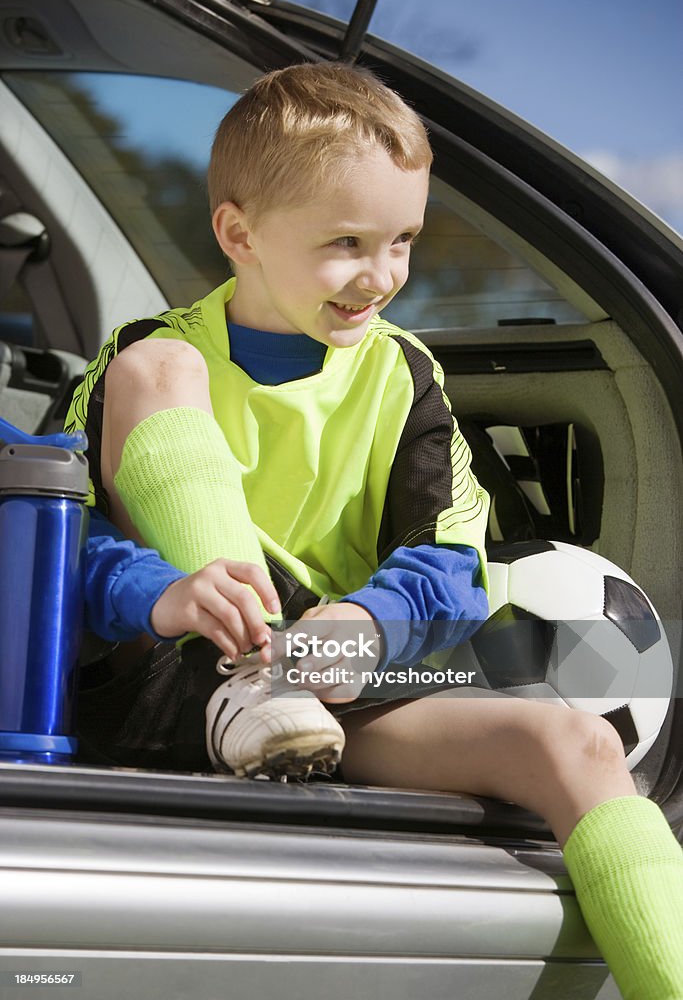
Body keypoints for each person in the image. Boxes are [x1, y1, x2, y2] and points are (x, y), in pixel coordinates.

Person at [65, 62, 682, 1000]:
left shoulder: (403, 375)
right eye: (346, 242)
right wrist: (161, 595)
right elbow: (53, 543)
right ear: (238, 233)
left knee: (585, 750)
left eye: (402, 241)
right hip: (162, 674)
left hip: (326, 693)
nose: (381, 275)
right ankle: (252, 681)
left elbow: (449, 562)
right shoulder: (149, 357)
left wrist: (369, 627)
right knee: (159, 374)